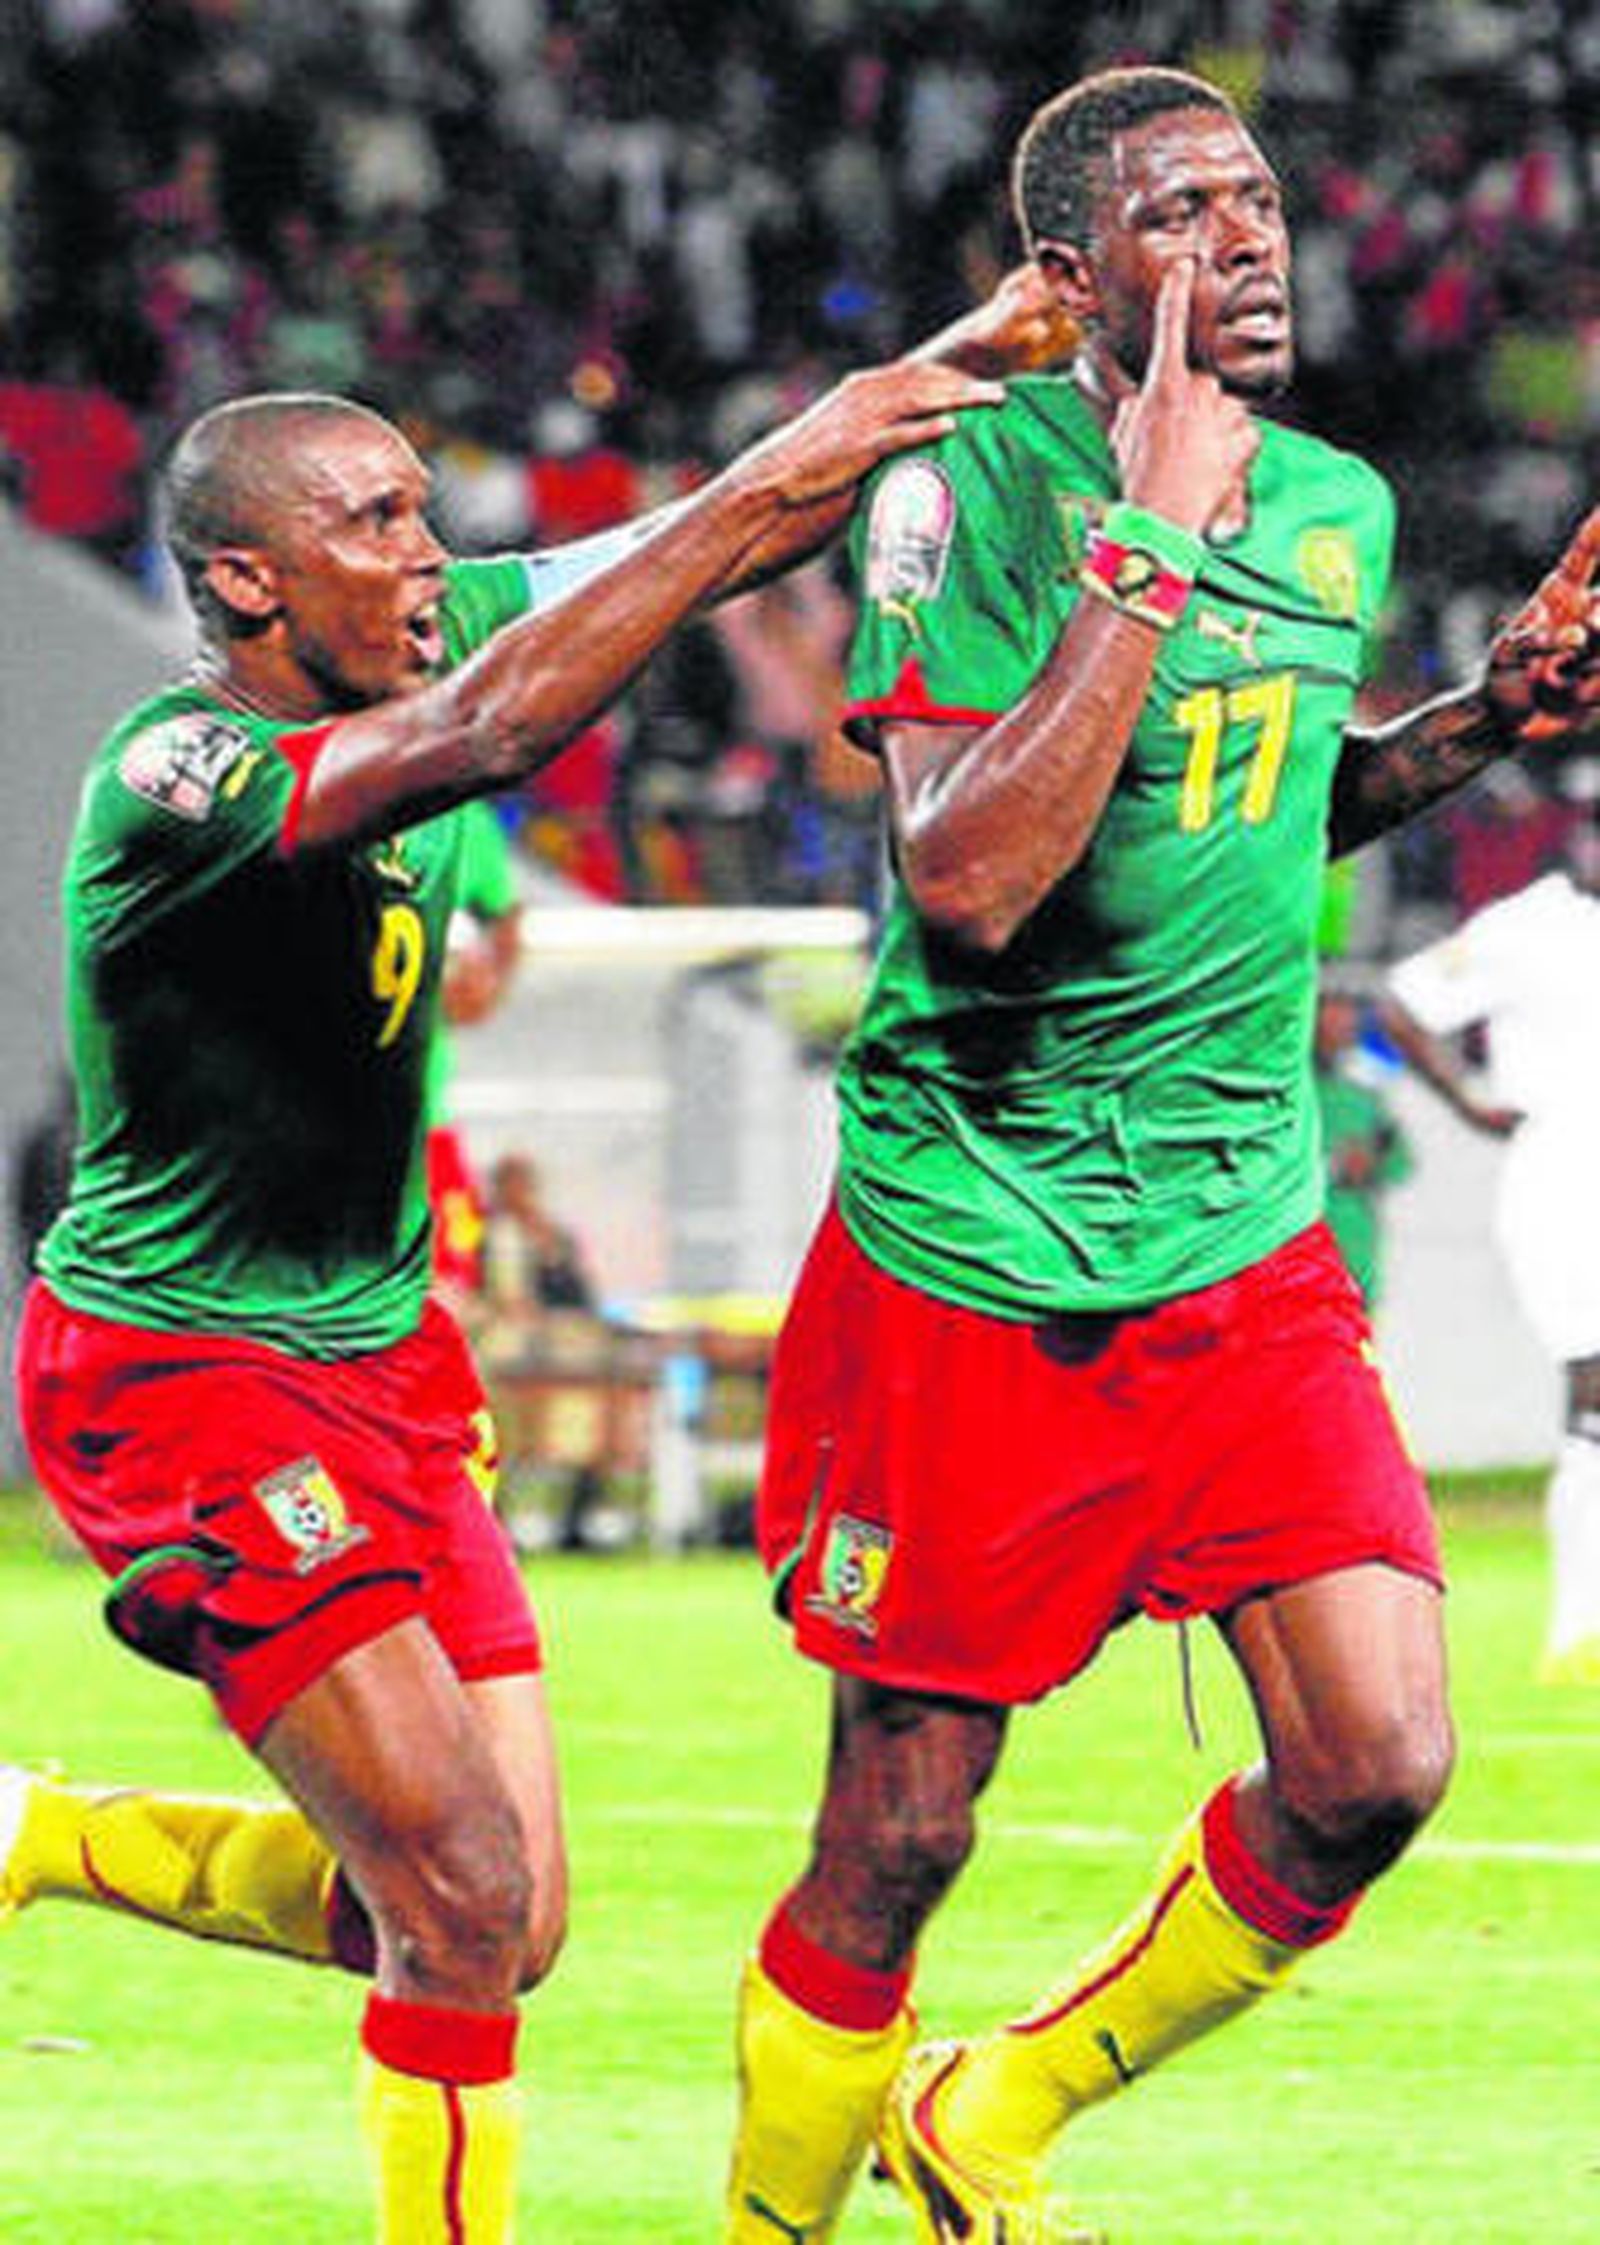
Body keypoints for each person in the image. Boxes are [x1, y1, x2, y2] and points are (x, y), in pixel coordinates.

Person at [1, 284, 1044, 2245]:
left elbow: (710, 532)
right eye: (376, 522)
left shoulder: (430, 625)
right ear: (245, 579)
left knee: (509, 1916)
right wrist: (746, 504)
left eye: (424, 511)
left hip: (385, 1361)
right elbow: (496, 726)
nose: (430, 553)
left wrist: (965, 359)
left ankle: (44, 1836)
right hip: (190, 1372)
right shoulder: (176, 773)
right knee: (461, 1896)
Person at [723, 65, 1600, 2245]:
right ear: (1067, 274)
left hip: (1233, 1233)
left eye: (1257, 199)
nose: (1246, 238)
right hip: (977, 1240)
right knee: (898, 1839)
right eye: (1179, 211)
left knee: (1375, 1762)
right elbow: (966, 878)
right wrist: (1147, 534)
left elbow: (1253, 802)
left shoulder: (1331, 505)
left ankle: (991, 2108)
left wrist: (1475, 725)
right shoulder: (966, 489)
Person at [1383, 817, 1600, 1684]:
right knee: (1594, 1389)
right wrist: (1465, 1102)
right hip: (1565, 1184)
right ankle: (1580, 1626)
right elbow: (1403, 1005)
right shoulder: (1527, 926)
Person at [1312, 981, 1415, 1309]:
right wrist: (1333, 1167)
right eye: (1333, 1007)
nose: (1345, 1020)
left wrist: (1375, 1157)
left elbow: (1401, 1164)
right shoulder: (1283, 1091)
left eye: (1351, 1010)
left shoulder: (1363, 1094)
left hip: (1355, 1259)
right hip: (1293, 1264)